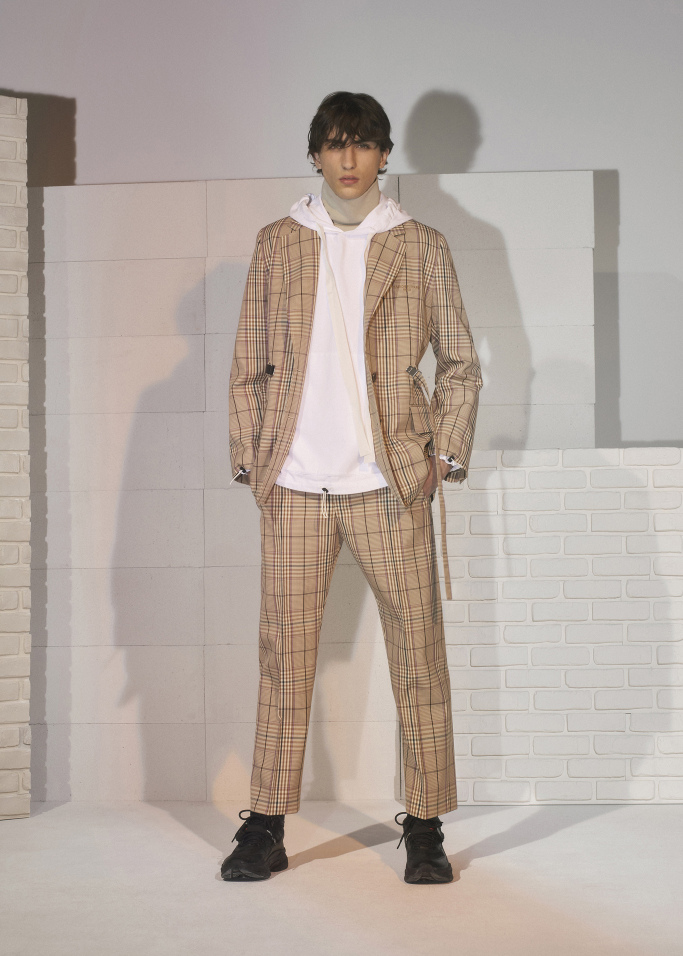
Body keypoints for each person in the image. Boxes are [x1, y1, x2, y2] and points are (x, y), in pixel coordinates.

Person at [222, 91, 482, 884]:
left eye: (362, 144)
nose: (347, 159)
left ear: (382, 154)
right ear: (314, 154)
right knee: (284, 659)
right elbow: (247, 362)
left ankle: (426, 826)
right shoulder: (277, 243)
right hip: (295, 484)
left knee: (418, 654)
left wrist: (441, 456)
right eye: (334, 144)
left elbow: (460, 362)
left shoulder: (420, 244)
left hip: (386, 484)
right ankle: (266, 825)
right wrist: (253, 461)